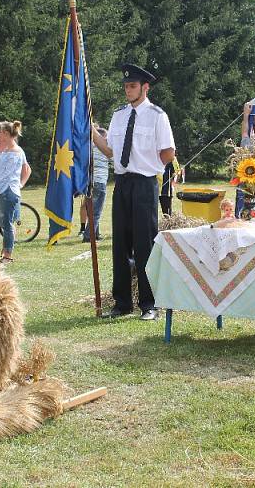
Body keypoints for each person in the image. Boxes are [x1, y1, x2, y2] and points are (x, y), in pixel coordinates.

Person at [91, 64, 176, 321]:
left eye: (133, 86)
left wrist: (150, 167)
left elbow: (168, 152)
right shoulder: (119, 115)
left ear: (145, 87)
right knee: (121, 244)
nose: (128, 90)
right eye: (126, 86)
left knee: (145, 244)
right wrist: (91, 130)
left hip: (144, 184)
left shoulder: (157, 115)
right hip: (122, 183)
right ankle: (122, 302)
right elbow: (110, 151)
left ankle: (149, 304)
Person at [0, 120, 31, 263]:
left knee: (6, 224)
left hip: (8, 192)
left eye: (2, 132)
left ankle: (7, 256)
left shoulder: (16, 152)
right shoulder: (7, 151)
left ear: (8, 134)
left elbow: (7, 175)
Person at [81, 126, 111, 242]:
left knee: (92, 210)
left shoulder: (89, 148)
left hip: (90, 182)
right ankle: (89, 236)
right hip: (100, 181)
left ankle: (96, 234)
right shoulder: (104, 149)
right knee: (97, 211)